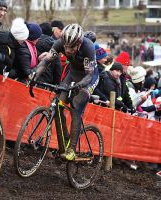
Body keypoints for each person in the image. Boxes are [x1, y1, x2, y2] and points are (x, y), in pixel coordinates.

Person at [34, 24, 99, 160]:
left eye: (72, 47)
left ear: (79, 43)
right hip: (73, 74)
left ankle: (72, 149)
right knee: (58, 104)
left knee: (76, 104)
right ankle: (64, 142)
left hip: (89, 77)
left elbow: (88, 75)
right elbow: (45, 62)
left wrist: (79, 86)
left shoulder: (88, 47)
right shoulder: (60, 43)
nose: (68, 50)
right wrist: (34, 75)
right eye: (66, 46)